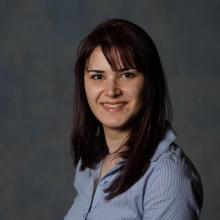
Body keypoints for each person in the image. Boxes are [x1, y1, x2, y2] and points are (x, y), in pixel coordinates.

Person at [64, 19, 203, 220]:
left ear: (149, 83)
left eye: (127, 74)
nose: (111, 91)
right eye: (97, 76)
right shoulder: (91, 161)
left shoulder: (166, 175)